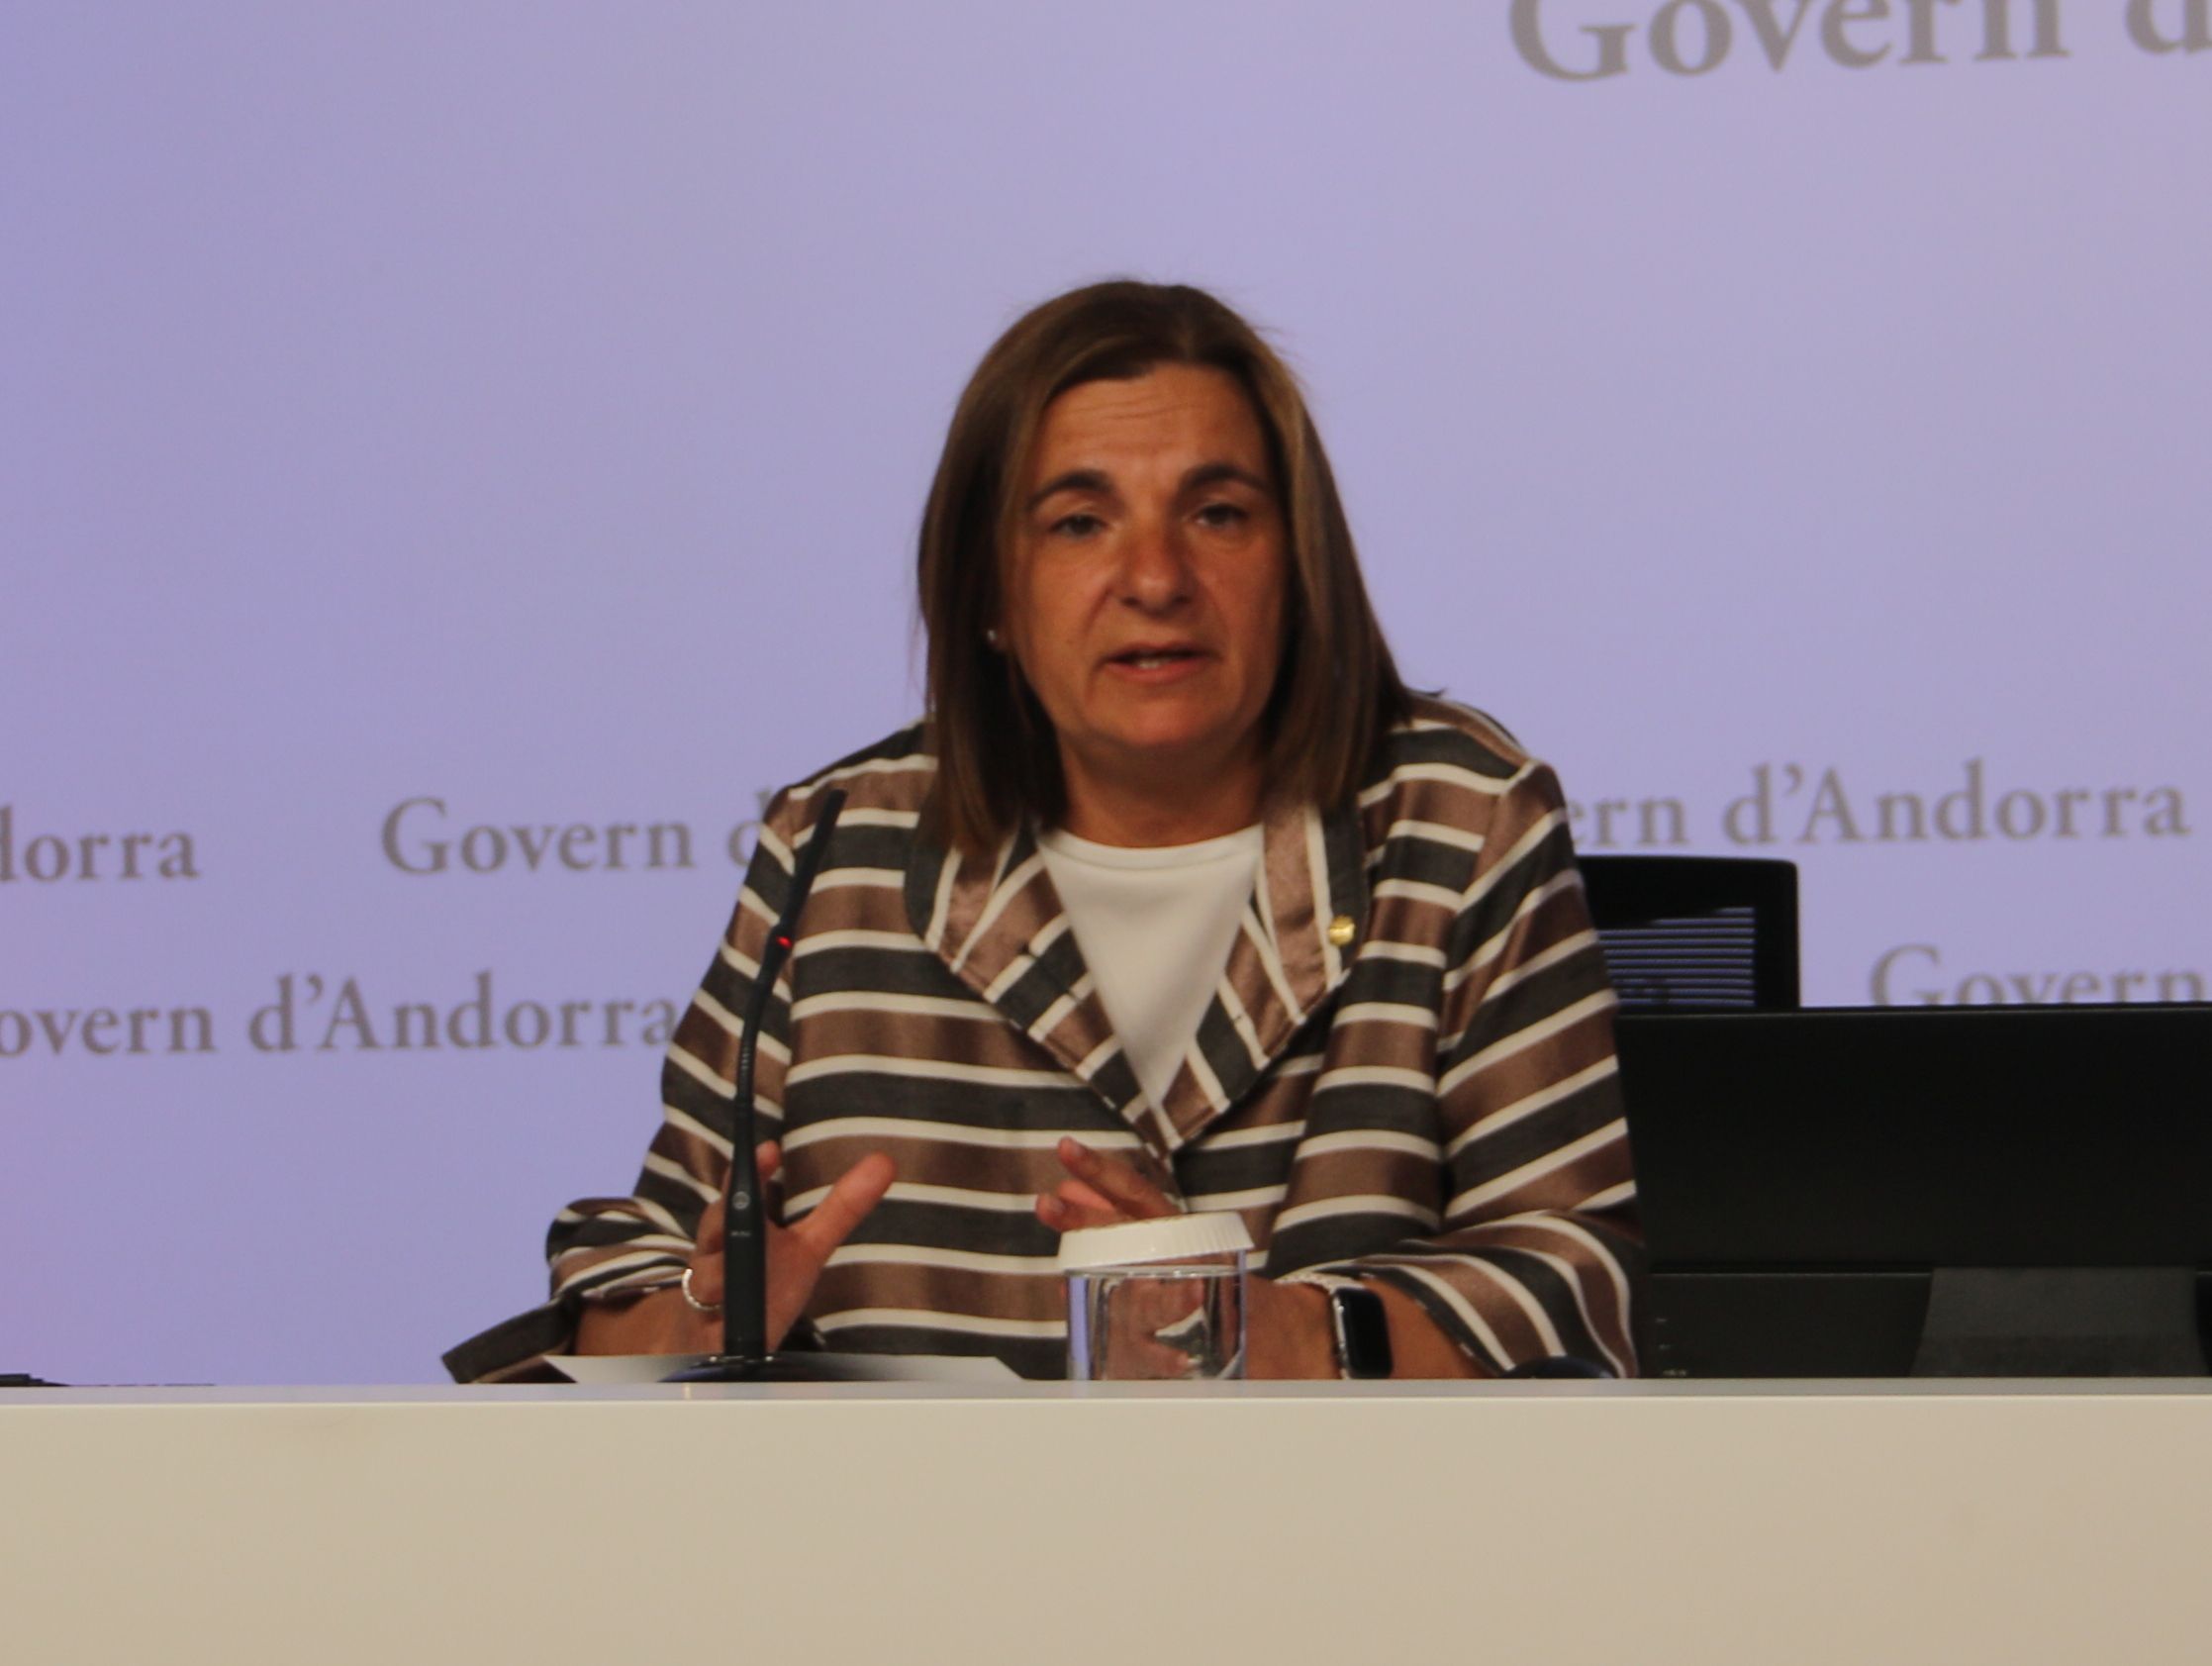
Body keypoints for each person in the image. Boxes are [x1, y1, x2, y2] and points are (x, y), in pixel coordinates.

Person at [444, 280, 1638, 1384]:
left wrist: (1280, 1334)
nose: (1155, 577)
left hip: (1340, 1535)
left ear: (1298, 565)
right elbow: (634, 1271)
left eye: (1218, 514)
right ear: (990, 596)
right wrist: (704, 1326)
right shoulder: (839, 846)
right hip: (914, 1536)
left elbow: (1579, 1284)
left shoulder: (1457, 821)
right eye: (1079, 524)